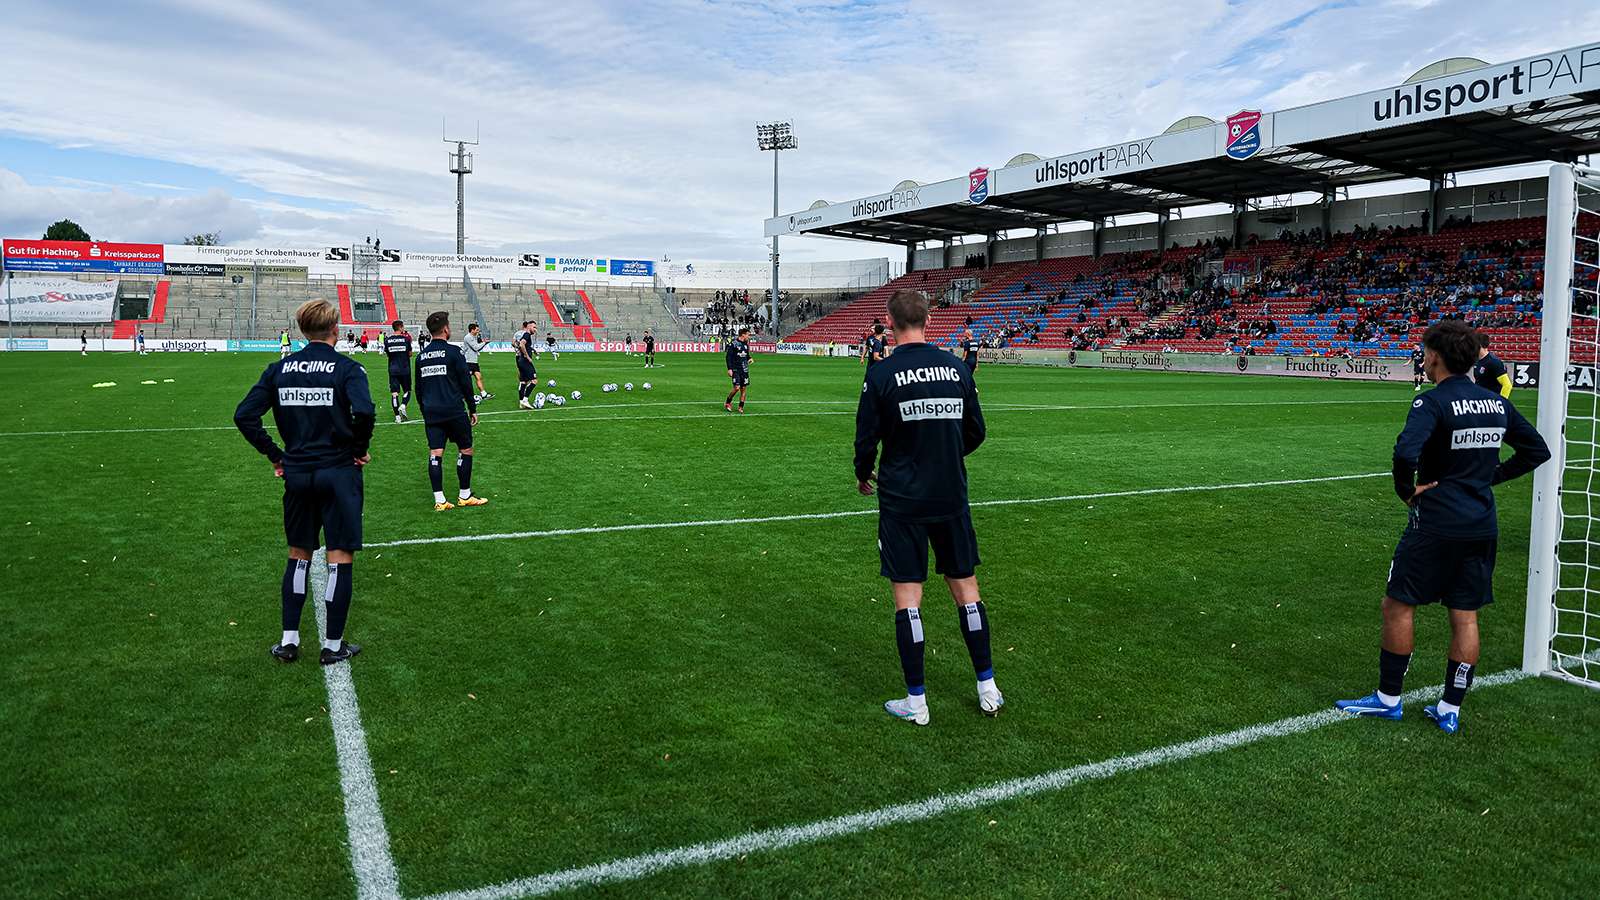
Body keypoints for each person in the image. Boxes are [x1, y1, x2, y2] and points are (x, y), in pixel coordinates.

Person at [1336, 320, 1549, 734]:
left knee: (1398, 604)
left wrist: (1406, 490)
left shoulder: (1431, 403)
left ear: (1435, 356)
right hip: (1481, 523)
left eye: (1425, 350)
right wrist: (1491, 478)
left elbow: (1405, 451)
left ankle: (1388, 699)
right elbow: (1536, 449)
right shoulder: (1496, 404)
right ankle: (1450, 707)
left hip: (1435, 522)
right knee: (1465, 615)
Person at [854, 289, 999, 726]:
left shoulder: (880, 375)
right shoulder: (957, 369)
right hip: (950, 493)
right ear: (930, 321)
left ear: (888, 322)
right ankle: (988, 688)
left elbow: (866, 438)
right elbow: (976, 431)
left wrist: (864, 472)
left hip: (902, 499)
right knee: (966, 588)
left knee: (908, 597)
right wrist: (945, 455)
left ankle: (916, 702)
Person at [233, 299, 373, 666]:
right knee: (340, 555)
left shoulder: (279, 369)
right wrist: (358, 448)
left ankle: (289, 641)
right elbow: (366, 411)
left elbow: (244, 416)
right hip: (339, 472)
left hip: (298, 474)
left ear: (301, 330)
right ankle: (332, 645)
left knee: (299, 555)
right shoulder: (348, 368)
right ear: (336, 330)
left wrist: (277, 456)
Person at [415, 311, 488, 511]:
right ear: (446, 329)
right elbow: (466, 384)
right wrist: (472, 409)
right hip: (454, 410)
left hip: (432, 412)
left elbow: (418, 390)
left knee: (435, 453)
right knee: (465, 449)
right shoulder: (454, 353)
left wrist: (425, 411)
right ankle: (464, 495)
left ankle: (440, 500)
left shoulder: (421, 356)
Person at [383, 320, 414, 424]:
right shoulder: (406, 339)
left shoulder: (387, 340)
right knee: (407, 391)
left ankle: (397, 417)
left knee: (394, 393)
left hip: (393, 369)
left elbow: (388, 354)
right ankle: (403, 405)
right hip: (405, 369)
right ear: (400, 327)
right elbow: (410, 354)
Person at [1472, 332, 1512, 399]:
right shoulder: (1477, 361)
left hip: (1491, 403)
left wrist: (1501, 402)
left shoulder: (1494, 362)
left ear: (1480, 345)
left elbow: (1507, 385)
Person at [724, 326, 752, 413]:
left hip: (744, 369)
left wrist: (749, 358)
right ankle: (728, 402)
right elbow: (728, 357)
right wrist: (729, 369)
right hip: (736, 369)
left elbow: (746, 354)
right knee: (736, 387)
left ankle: (741, 407)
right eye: (748, 335)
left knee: (743, 389)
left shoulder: (746, 344)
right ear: (743, 335)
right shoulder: (734, 344)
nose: (749, 336)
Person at [464, 323, 492, 402]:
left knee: (478, 377)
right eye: (477, 330)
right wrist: (484, 343)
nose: (478, 331)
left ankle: (483, 394)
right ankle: (465, 395)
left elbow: (477, 349)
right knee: (467, 380)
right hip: (468, 361)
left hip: (474, 361)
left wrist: (483, 344)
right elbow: (476, 347)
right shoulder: (468, 337)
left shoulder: (474, 337)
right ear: (472, 330)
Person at [514, 321, 539, 410]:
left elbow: (520, 344)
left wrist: (533, 350)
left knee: (523, 382)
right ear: (529, 327)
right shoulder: (527, 334)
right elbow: (521, 344)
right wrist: (527, 356)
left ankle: (521, 402)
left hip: (521, 361)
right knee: (534, 381)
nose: (535, 330)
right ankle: (525, 399)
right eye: (534, 327)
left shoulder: (525, 335)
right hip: (525, 361)